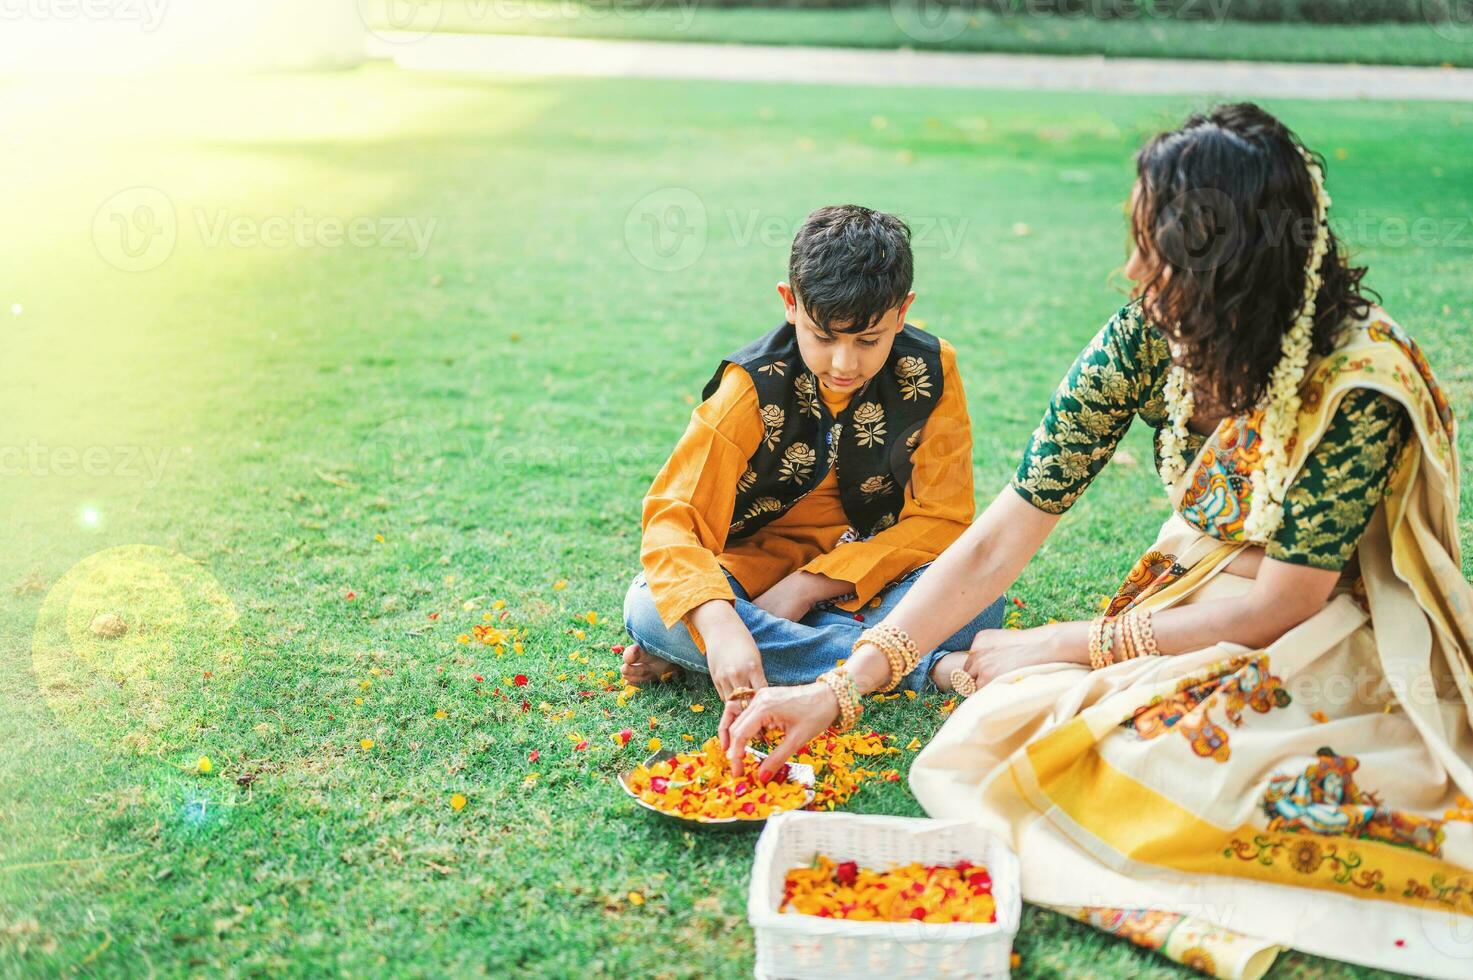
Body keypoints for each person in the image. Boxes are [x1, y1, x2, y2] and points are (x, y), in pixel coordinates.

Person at [721, 105, 1473, 978]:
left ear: (1220, 264)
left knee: (1181, 770)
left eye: (1150, 245)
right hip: (1190, 599)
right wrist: (839, 689)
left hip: (1331, 626)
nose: (1129, 266)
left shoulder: (1357, 382)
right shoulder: (1148, 334)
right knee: (999, 726)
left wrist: (1066, 643)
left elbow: (1286, 601)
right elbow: (1006, 529)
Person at [621, 204, 1005, 702]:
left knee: (980, 603)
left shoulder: (931, 370)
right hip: (753, 575)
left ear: (903, 312)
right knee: (649, 608)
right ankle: (924, 666)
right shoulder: (750, 387)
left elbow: (944, 517)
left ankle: (749, 646)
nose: (845, 363)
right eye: (823, 337)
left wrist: (807, 587)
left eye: (870, 340)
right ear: (790, 303)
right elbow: (672, 518)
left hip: (871, 570)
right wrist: (717, 624)